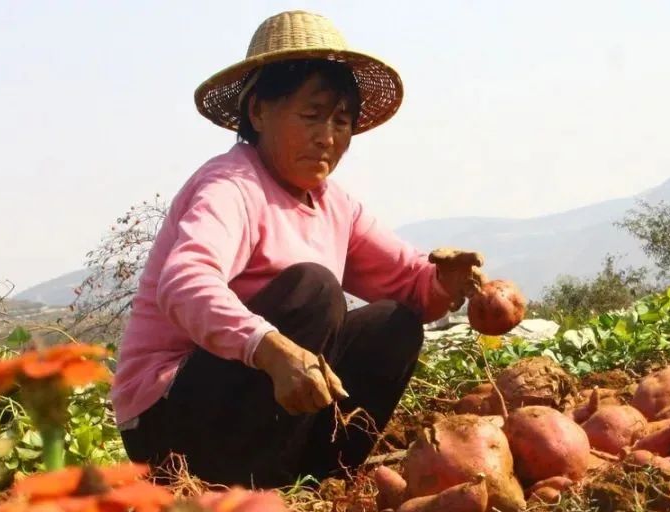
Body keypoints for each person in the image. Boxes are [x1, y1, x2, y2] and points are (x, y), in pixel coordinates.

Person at [113, 11, 484, 487]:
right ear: (259, 112)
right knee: (314, 290)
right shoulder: (231, 186)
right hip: (169, 426)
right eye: (310, 115)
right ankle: (237, 487)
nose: (327, 136)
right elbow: (186, 283)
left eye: (341, 120)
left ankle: (314, 479)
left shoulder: (335, 204)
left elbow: (408, 282)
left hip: (253, 417)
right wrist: (269, 349)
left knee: (395, 324)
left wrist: (448, 281)